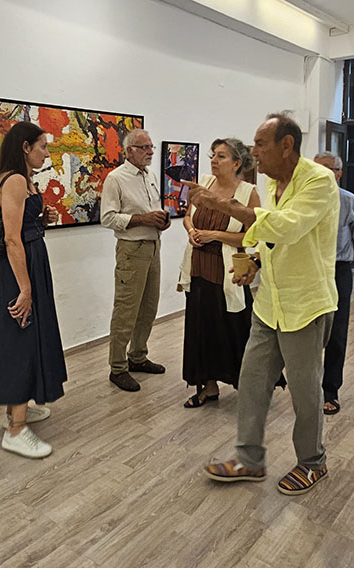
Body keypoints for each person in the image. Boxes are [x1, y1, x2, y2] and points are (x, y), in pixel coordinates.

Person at [185, 112, 339, 495]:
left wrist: (220, 203)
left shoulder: (318, 181)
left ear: (286, 145)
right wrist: (254, 261)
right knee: (252, 382)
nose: (253, 152)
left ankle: (312, 461)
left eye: (260, 144)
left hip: (305, 305)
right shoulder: (271, 184)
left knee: (305, 391)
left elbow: (286, 227)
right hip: (269, 303)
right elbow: (268, 237)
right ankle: (249, 459)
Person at [0, 121, 67, 458]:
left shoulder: (23, 179)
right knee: (19, 339)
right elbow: (12, 240)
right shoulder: (15, 181)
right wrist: (25, 289)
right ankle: (15, 429)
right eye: (43, 146)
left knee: (26, 336)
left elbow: (22, 228)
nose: (47, 152)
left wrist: (40, 220)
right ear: (25, 147)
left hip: (29, 265)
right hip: (18, 271)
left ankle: (18, 409)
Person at [178, 138, 260, 407]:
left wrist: (214, 235)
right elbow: (188, 216)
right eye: (213, 155)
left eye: (221, 156)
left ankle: (249, 386)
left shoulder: (248, 193)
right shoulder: (204, 184)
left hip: (229, 272)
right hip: (198, 267)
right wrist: (192, 231)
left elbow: (251, 237)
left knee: (235, 330)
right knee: (202, 329)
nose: (213, 160)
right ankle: (209, 386)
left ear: (237, 163)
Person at [101, 129, 171, 392]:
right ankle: (118, 368)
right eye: (144, 147)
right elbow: (107, 218)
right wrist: (143, 219)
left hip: (153, 247)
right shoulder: (116, 178)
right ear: (129, 150)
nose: (150, 151)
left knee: (149, 307)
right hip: (131, 250)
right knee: (126, 310)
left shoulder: (149, 175)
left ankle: (138, 356)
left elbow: (151, 210)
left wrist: (161, 221)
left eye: (151, 146)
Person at [313, 151, 354, 415]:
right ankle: (306, 388)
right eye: (315, 169)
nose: (320, 174)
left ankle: (330, 390)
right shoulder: (301, 201)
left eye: (327, 169)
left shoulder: (350, 202)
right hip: (307, 271)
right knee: (305, 331)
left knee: (336, 333)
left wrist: (342, 262)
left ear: (338, 174)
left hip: (338, 270)